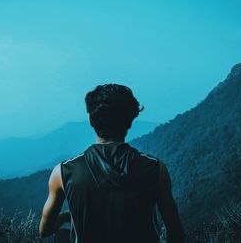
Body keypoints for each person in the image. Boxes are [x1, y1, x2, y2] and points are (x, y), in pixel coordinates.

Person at [39, 84, 185, 243]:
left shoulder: (63, 172)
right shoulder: (155, 169)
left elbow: (45, 230)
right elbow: (175, 233)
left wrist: (68, 216)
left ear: (90, 120)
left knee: (62, 237)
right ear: (129, 122)